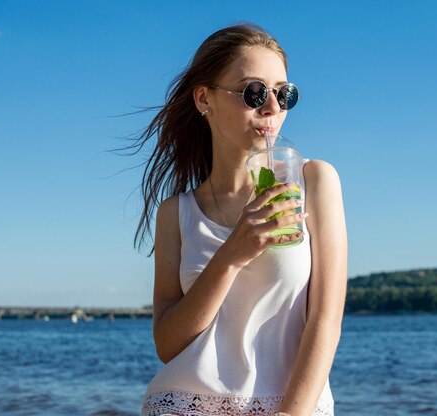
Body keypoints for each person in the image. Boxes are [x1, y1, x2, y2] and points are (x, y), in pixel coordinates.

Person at [135, 23, 347, 416]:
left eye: (284, 94)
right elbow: (168, 345)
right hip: (185, 404)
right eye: (254, 92)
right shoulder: (176, 213)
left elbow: (326, 319)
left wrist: (291, 413)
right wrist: (233, 254)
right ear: (204, 99)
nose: (272, 108)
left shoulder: (313, 181)